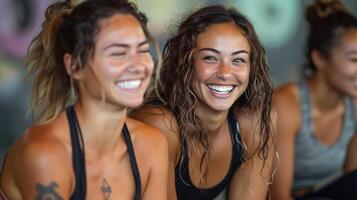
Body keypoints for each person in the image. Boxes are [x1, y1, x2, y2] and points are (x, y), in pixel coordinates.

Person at [0, 0, 169, 199]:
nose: (138, 65)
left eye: (142, 50)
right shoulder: (45, 153)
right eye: (117, 53)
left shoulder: (151, 144)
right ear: (74, 66)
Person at [131, 5, 276, 200]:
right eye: (210, 58)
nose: (225, 73)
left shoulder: (253, 125)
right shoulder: (162, 125)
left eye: (238, 60)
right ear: (185, 62)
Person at [271, 0, 357, 199]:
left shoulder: (353, 104)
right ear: (319, 59)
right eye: (354, 59)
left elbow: (351, 184)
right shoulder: (286, 104)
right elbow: (277, 196)